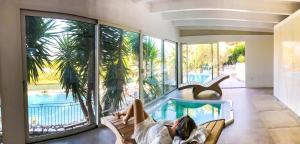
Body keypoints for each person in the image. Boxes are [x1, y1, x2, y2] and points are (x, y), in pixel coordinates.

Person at [115, 99, 197, 144]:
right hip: (151, 124)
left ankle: (125, 118)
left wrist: (132, 141)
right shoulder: (173, 127)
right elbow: (195, 129)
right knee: (137, 110)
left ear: (177, 123)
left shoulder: (162, 140)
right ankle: (121, 113)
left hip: (142, 133)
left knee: (137, 102)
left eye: (179, 118)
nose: (178, 118)